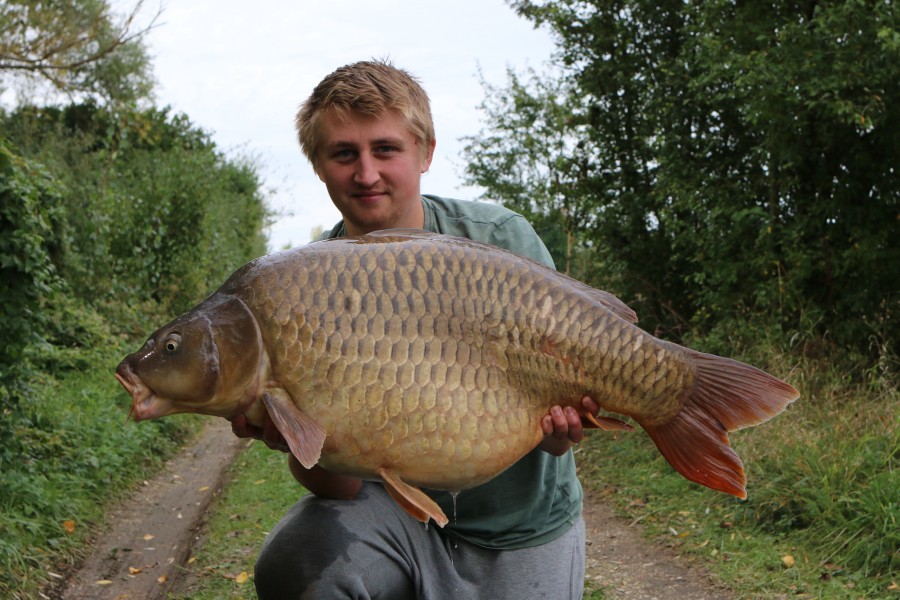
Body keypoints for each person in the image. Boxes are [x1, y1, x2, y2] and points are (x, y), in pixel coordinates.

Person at [230, 59, 600, 599]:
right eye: (343, 153)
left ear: (425, 152)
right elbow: (342, 483)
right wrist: (291, 435)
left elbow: (557, 431)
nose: (366, 173)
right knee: (296, 560)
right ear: (318, 164)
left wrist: (561, 430)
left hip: (515, 527)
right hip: (393, 521)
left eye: (385, 149)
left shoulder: (501, 240)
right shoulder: (304, 287)